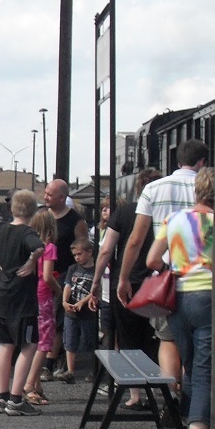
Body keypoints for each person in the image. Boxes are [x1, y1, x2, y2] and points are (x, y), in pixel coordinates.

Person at [118, 138, 209, 395]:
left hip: (167, 279)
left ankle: (170, 394)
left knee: (168, 340)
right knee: (201, 346)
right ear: (202, 162)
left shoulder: (154, 188)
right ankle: (193, 396)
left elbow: (136, 240)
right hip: (205, 277)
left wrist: (123, 278)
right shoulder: (209, 188)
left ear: (178, 160)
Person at [145, 167, 215, 429]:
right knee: (203, 371)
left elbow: (151, 260)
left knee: (189, 364)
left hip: (179, 300)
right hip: (210, 297)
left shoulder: (174, 220)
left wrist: (172, 266)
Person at [89, 168, 161, 410]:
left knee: (129, 338)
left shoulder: (125, 212)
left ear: (138, 188)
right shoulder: (167, 211)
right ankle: (167, 389)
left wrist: (96, 281)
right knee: (162, 338)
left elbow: (107, 249)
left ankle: (136, 394)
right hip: (162, 280)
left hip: (128, 282)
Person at [0, 190, 46, 417]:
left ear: (12, 209)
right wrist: (32, 261)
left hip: (2, 293)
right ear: (33, 211)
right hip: (22, 297)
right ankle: (16, 399)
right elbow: (39, 247)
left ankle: (2, 397)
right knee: (29, 344)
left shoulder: (0, 231)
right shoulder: (27, 232)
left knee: (5, 344)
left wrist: (0, 256)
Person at [42, 179, 88, 380]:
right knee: (44, 318)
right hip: (42, 273)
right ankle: (49, 359)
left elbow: (83, 246)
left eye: (49, 195)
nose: (45, 197)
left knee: (57, 318)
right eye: (45, 193)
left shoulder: (75, 221)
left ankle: (48, 363)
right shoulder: (43, 216)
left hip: (62, 274)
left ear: (62, 198)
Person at [22, 208, 60, 406]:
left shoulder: (28, 246)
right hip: (43, 297)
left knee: (33, 340)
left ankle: (37, 385)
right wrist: (59, 290)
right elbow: (47, 276)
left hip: (28, 296)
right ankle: (29, 385)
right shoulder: (50, 247)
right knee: (44, 343)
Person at [60, 237, 96, 384]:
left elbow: (96, 290)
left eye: (80, 254)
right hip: (71, 311)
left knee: (90, 341)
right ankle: (70, 371)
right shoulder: (72, 269)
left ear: (89, 252)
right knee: (70, 340)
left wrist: (82, 302)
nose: (77, 258)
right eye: (75, 255)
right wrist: (64, 301)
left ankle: (93, 370)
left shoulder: (95, 269)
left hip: (88, 311)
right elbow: (68, 285)